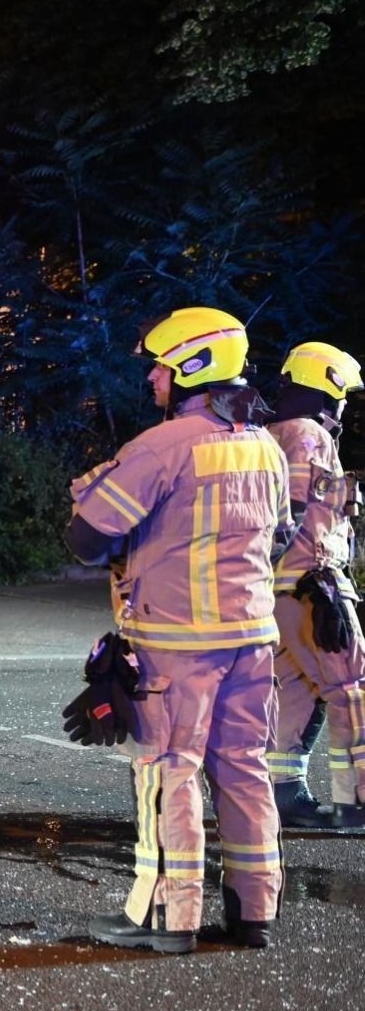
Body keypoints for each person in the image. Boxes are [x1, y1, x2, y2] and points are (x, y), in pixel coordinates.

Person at [64, 306, 288, 953]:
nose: (153, 379)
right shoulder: (264, 445)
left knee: (169, 770)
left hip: (178, 643)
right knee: (244, 768)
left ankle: (169, 916)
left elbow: (86, 537)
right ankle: (254, 912)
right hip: (252, 636)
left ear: (191, 366)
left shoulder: (163, 446)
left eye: (160, 366)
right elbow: (281, 534)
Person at [263, 341, 365, 829]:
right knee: (352, 689)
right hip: (313, 585)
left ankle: (285, 794)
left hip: (281, 592)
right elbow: (297, 509)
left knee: (297, 690)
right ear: (330, 384)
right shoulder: (308, 435)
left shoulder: (272, 432)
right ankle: (357, 801)